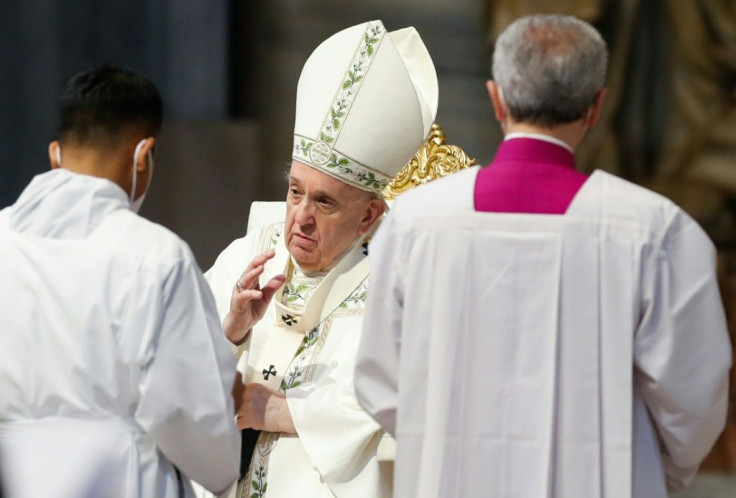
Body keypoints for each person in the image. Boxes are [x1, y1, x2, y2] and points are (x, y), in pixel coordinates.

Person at [354, 14, 731, 498]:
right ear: (597, 106)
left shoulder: (413, 223)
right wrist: (651, 470)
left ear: (496, 99)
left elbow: (379, 379)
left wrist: (444, 443)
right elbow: (694, 396)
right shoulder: (656, 232)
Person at [204, 20, 438, 498]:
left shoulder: (397, 283)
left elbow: (410, 395)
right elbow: (172, 362)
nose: (301, 218)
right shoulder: (251, 254)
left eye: (325, 203)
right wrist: (230, 331)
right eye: (294, 192)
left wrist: (284, 412)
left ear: (370, 215)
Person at [0, 64, 240, 498]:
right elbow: (187, 409)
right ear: (143, 155)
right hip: (120, 477)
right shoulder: (154, 256)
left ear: (56, 154)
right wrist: (222, 473)